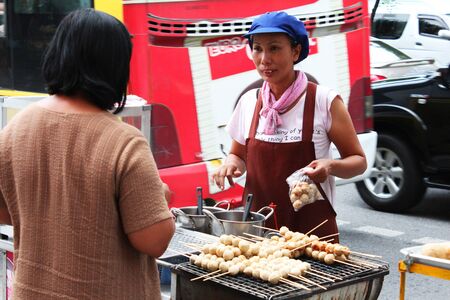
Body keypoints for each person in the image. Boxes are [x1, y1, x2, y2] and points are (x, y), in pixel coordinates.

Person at [0, 9, 175, 299]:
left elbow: (6, 212)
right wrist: (161, 198)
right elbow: (153, 240)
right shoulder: (124, 141)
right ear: (115, 68)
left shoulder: (15, 128)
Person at [212, 11, 367, 241]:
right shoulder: (249, 102)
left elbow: (358, 161)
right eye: (257, 49)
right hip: (258, 234)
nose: (264, 59)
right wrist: (231, 164)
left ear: (295, 51)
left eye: (274, 48)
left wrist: (330, 166)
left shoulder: (324, 101)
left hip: (313, 237)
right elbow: (237, 156)